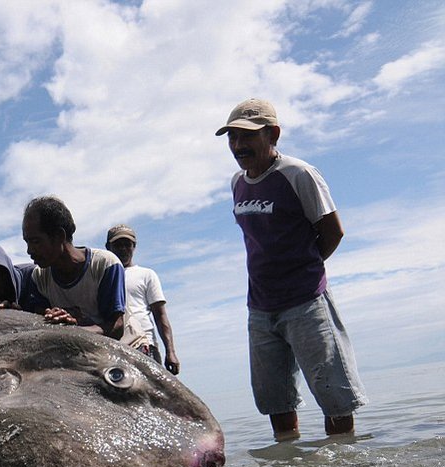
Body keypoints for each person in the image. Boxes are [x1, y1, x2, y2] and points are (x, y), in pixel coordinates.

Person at [216, 98, 367, 442]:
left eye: (247, 136)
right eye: (232, 138)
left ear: (273, 134)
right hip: (260, 309)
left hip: (306, 303)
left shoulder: (298, 174)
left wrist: (303, 271)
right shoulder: (237, 183)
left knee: (336, 400)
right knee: (276, 402)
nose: (238, 146)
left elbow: (333, 232)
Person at [22, 196, 126, 339]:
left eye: (35, 241)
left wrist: (74, 332)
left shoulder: (104, 265)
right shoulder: (39, 277)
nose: (29, 251)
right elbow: (41, 325)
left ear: (59, 236)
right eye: (27, 242)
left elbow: (116, 327)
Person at [105, 225, 180, 374]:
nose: (123, 249)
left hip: (145, 345)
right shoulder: (102, 275)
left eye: (128, 245)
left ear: (134, 246)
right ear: (108, 247)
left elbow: (160, 316)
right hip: (114, 346)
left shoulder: (146, 274)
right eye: (118, 245)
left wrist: (170, 351)